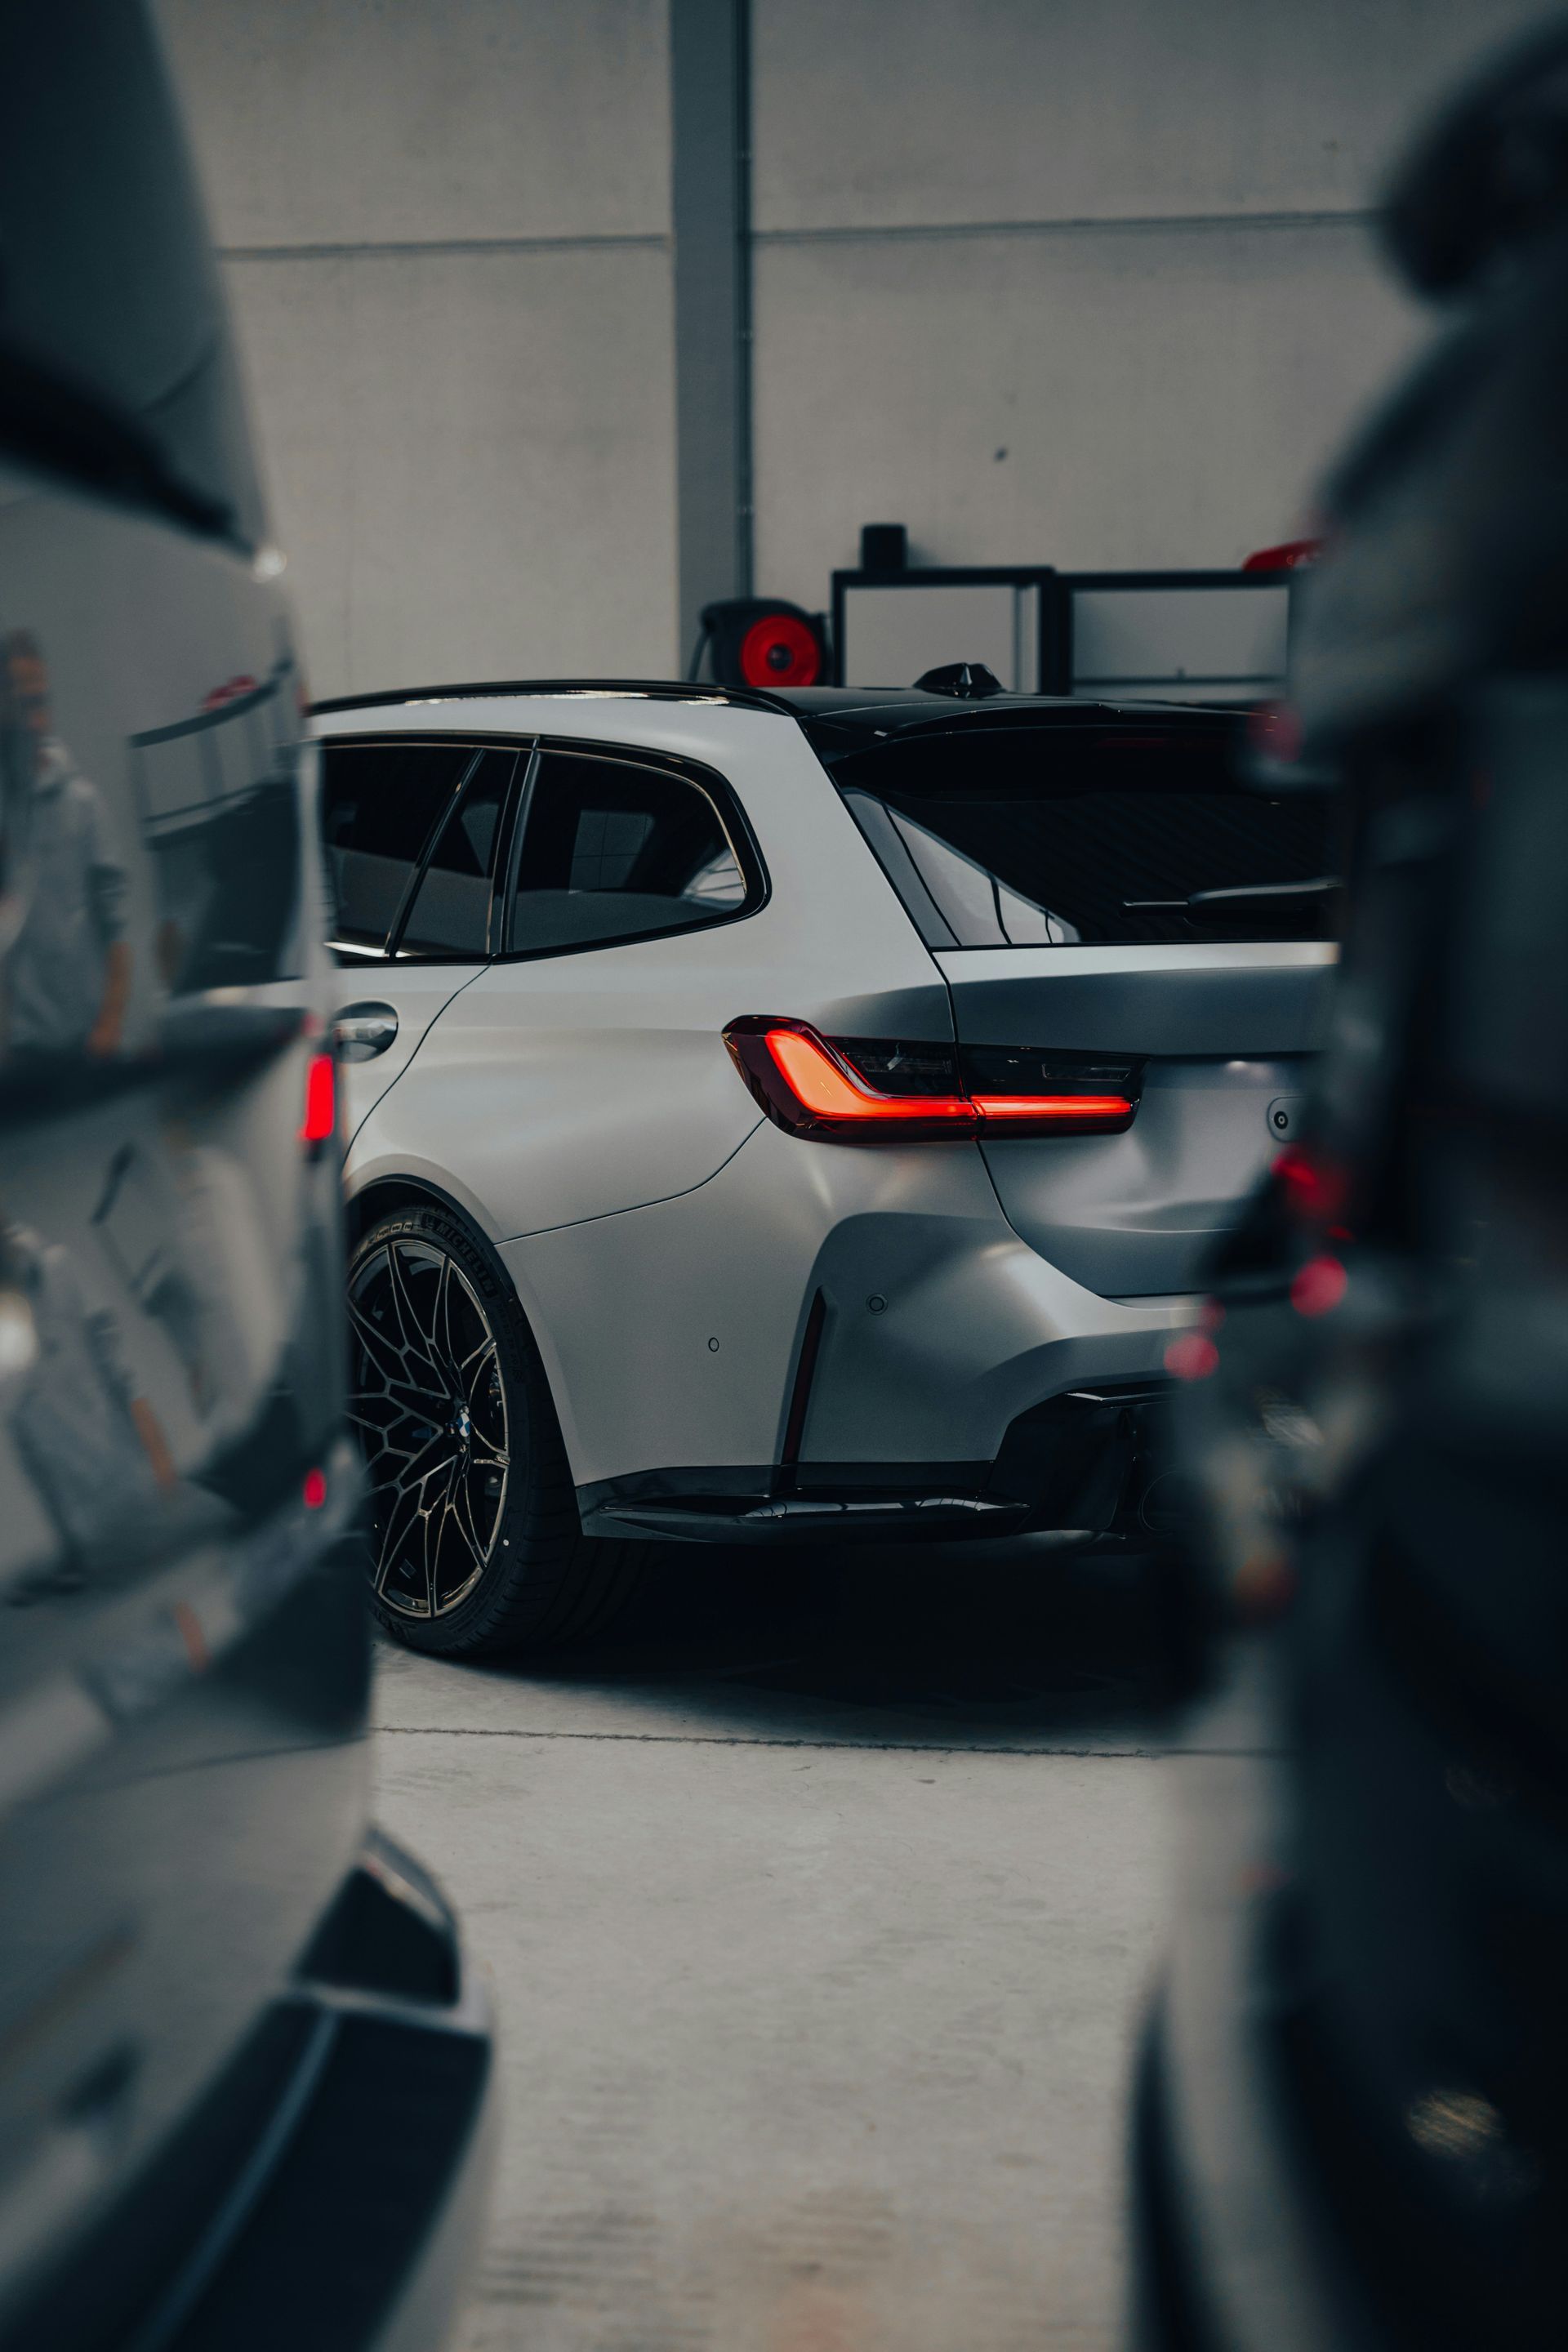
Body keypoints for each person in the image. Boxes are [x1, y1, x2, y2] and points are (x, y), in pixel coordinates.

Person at [2, 628, 131, 1056]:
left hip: (85, 1048)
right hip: (15, 1058)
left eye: (42, 701)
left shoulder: (82, 804)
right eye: (24, 703)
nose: (37, 719)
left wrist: (109, 1028)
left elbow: (118, 928)